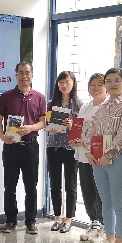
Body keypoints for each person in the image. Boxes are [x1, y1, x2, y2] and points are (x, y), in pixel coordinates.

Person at [85, 67, 122, 243]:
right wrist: (89, 152)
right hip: (97, 159)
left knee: (119, 203)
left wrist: (109, 154)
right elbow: (91, 131)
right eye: (109, 81)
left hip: (117, 159)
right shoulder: (102, 106)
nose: (113, 84)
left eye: (117, 80)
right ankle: (109, 239)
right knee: (106, 202)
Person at [0, 61, 47, 234]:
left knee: (31, 186)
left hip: (31, 147)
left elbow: (42, 122)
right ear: (16, 75)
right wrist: (3, 137)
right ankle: (10, 220)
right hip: (11, 146)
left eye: (27, 73)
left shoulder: (39, 97)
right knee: (10, 186)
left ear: (32, 75)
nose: (25, 76)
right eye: (21, 73)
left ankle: (31, 221)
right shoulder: (6, 96)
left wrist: (31, 128)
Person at [69, 73, 106, 243]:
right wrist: (74, 138)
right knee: (87, 190)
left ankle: (104, 227)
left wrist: (86, 143)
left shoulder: (107, 107)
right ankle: (94, 222)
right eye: (93, 85)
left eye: (100, 85)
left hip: (98, 156)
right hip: (83, 154)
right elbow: (77, 128)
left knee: (100, 192)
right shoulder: (85, 106)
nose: (96, 88)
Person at [46, 70, 82, 232]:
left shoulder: (80, 105)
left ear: (73, 83)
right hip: (53, 147)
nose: (64, 85)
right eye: (61, 82)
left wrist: (71, 126)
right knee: (55, 185)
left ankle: (68, 220)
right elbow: (46, 124)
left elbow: (81, 131)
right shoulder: (51, 104)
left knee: (70, 185)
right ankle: (57, 218)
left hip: (71, 149)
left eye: (67, 81)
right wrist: (50, 128)